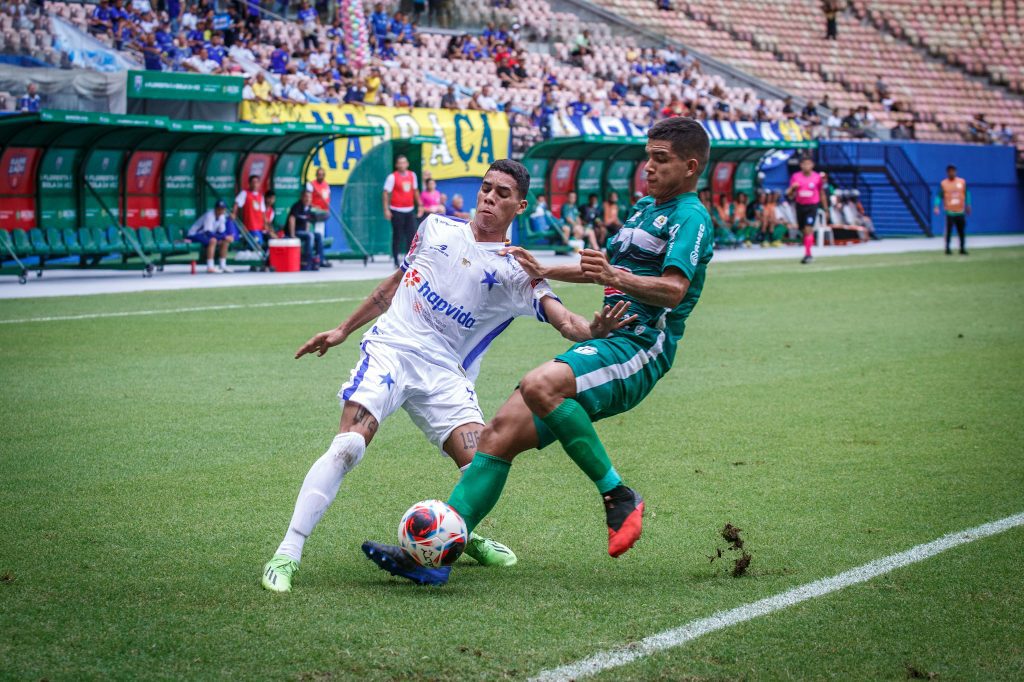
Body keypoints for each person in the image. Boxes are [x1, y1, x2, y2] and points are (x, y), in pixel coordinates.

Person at [363, 116, 715, 586]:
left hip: (642, 346)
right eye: (647, 156)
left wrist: (617, 279)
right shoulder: (644, 209)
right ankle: (434, 562)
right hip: (612, 339)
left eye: (660, 160)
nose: (647, 167)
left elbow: (673, 290)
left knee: (538, 384)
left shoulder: (691, 218)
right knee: (498, 435)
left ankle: (617, 494)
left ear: (691, 167)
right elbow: (598, 269)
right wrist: (546, 268)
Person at [261, 160, 636, 592]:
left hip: (445, 374)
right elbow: (393, 287)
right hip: (392, 350)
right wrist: (344, 329)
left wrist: (594, 331)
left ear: (520, 205)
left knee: (482, 464)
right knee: (348, 445)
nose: (490, 197)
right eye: (486, 188)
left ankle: (460, 534)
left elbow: (567, 323)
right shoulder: (435, 227)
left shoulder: (518, 270)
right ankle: (288, 552)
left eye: (502, 193)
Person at [786, 156, 827, 264]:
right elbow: (789, 195)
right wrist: (793, 188)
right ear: (801, 165)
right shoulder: (796, 177)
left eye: (808, 164)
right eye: (804, 164)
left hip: (812, 206)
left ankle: (808, 254)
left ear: (812, 165)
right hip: (800, 205)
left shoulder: (817, 178)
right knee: (803, 230)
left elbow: (821, 193)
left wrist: (826, 209)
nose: (806, 166)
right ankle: (809, 246)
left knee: (808, 228)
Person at [383, 155, 421, 268]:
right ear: (397, 165)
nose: (402, 165)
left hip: (409, 210)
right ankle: (395, 260)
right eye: (400, 163)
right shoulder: (392, 177)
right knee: (397, 236)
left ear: (407, 164)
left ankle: (409, 260)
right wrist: (386, 209)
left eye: (404, 162)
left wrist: (420, 205)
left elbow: (415, 191)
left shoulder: (412, 175)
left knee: (412, 236)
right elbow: (385, 193)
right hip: (396, 210)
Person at [186, 199, 237, 273]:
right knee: (213, 240)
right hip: (194, 234)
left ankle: (223, 265)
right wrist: (224, 237)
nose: (221, 211)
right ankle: (210, 267)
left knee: (225, 242)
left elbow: (221, 232)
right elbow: (208, 233)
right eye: (219, 208)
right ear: (216, 208)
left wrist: (227, 237)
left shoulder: (222, 217)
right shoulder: (209, 215)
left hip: (205, 235)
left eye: (223, 209)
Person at [285, 190, 326, 270]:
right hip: (295, 232)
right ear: (302, 197)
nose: (308, 199)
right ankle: (308, 261)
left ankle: (320, 260)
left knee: (318, 235)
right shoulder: (297, 206)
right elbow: (291, 219)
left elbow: (308, 221)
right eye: (306, 197)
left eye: (310, 197)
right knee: (309, 235)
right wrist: (292, 235)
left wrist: (307, 231)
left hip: (303, 232)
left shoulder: (309, 208)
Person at [935, 165, 970, 255]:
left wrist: (968, 205)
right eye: (950, 171)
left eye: (953, 171)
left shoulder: (962, 182)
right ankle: (947, 248)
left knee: (961, 231)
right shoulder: (944, 183)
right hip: (949, 212)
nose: (952, 173)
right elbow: (939, 196)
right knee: (949, 231)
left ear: (955, 172)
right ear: (947, 173)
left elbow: (967, 194)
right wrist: (936, 206)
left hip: (960, 211)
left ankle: (962, 248)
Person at [233, 174, 268, 245]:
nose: (255, 184)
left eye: (257, 182)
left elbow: (263, 211)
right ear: (249, 183)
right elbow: (237, 203)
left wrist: (265, 224)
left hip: (259, 225)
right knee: (257, 242)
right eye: (253, 182)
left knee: (260, 242)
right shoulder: (244, 193)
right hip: (250, 225)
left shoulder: (260, 195)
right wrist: (234, 213)